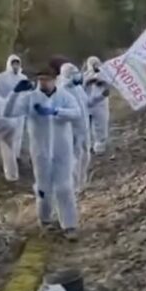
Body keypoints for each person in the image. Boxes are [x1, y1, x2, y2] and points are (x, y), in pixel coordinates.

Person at [3, 67, 81, 240]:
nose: (43, 83)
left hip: (62, 150)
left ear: (54, 80)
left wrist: (56, 112)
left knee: (64, 187)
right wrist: (15, 93)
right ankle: (45, 220)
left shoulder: (65, 97)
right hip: (40, 152)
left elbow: (77, 113)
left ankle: (69, 225)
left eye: (47, 79)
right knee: (43, 189)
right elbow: (8, 113)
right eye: (41, 79)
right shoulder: (30, 98)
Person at [59, 63, 91, 194]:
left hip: (84, 128)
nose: (78, 75)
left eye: (77, 72)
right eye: (74, 73)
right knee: (74, 158)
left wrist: (101, 96)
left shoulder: (78, 89)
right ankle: (74, 186)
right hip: (72, 130)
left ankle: (82, 182)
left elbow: (87, 103)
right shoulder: (62, 91)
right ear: (68, 75)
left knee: (85, 155)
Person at [0, 54, 28, 159]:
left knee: (18, 134)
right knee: (6, 135)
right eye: (13, 64)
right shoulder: (0, 78)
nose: (15, 66)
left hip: (19, 111)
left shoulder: (23, 78)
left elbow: (26, 94)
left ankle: (15, 156)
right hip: (5, 109)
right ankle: (4, 157)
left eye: (17, 64)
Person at [83, 57, 110, 154]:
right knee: (86, 127)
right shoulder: (85, 75)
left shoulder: (104, 74)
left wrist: (103, 83)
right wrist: (88, 81)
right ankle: (88, 146)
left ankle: (99, 148)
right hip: (88, 105)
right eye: (93, 64)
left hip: (100, 105)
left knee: (101, 126)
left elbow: (108, 86)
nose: (95, 65)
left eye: (96, 63)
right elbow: (81, 87)